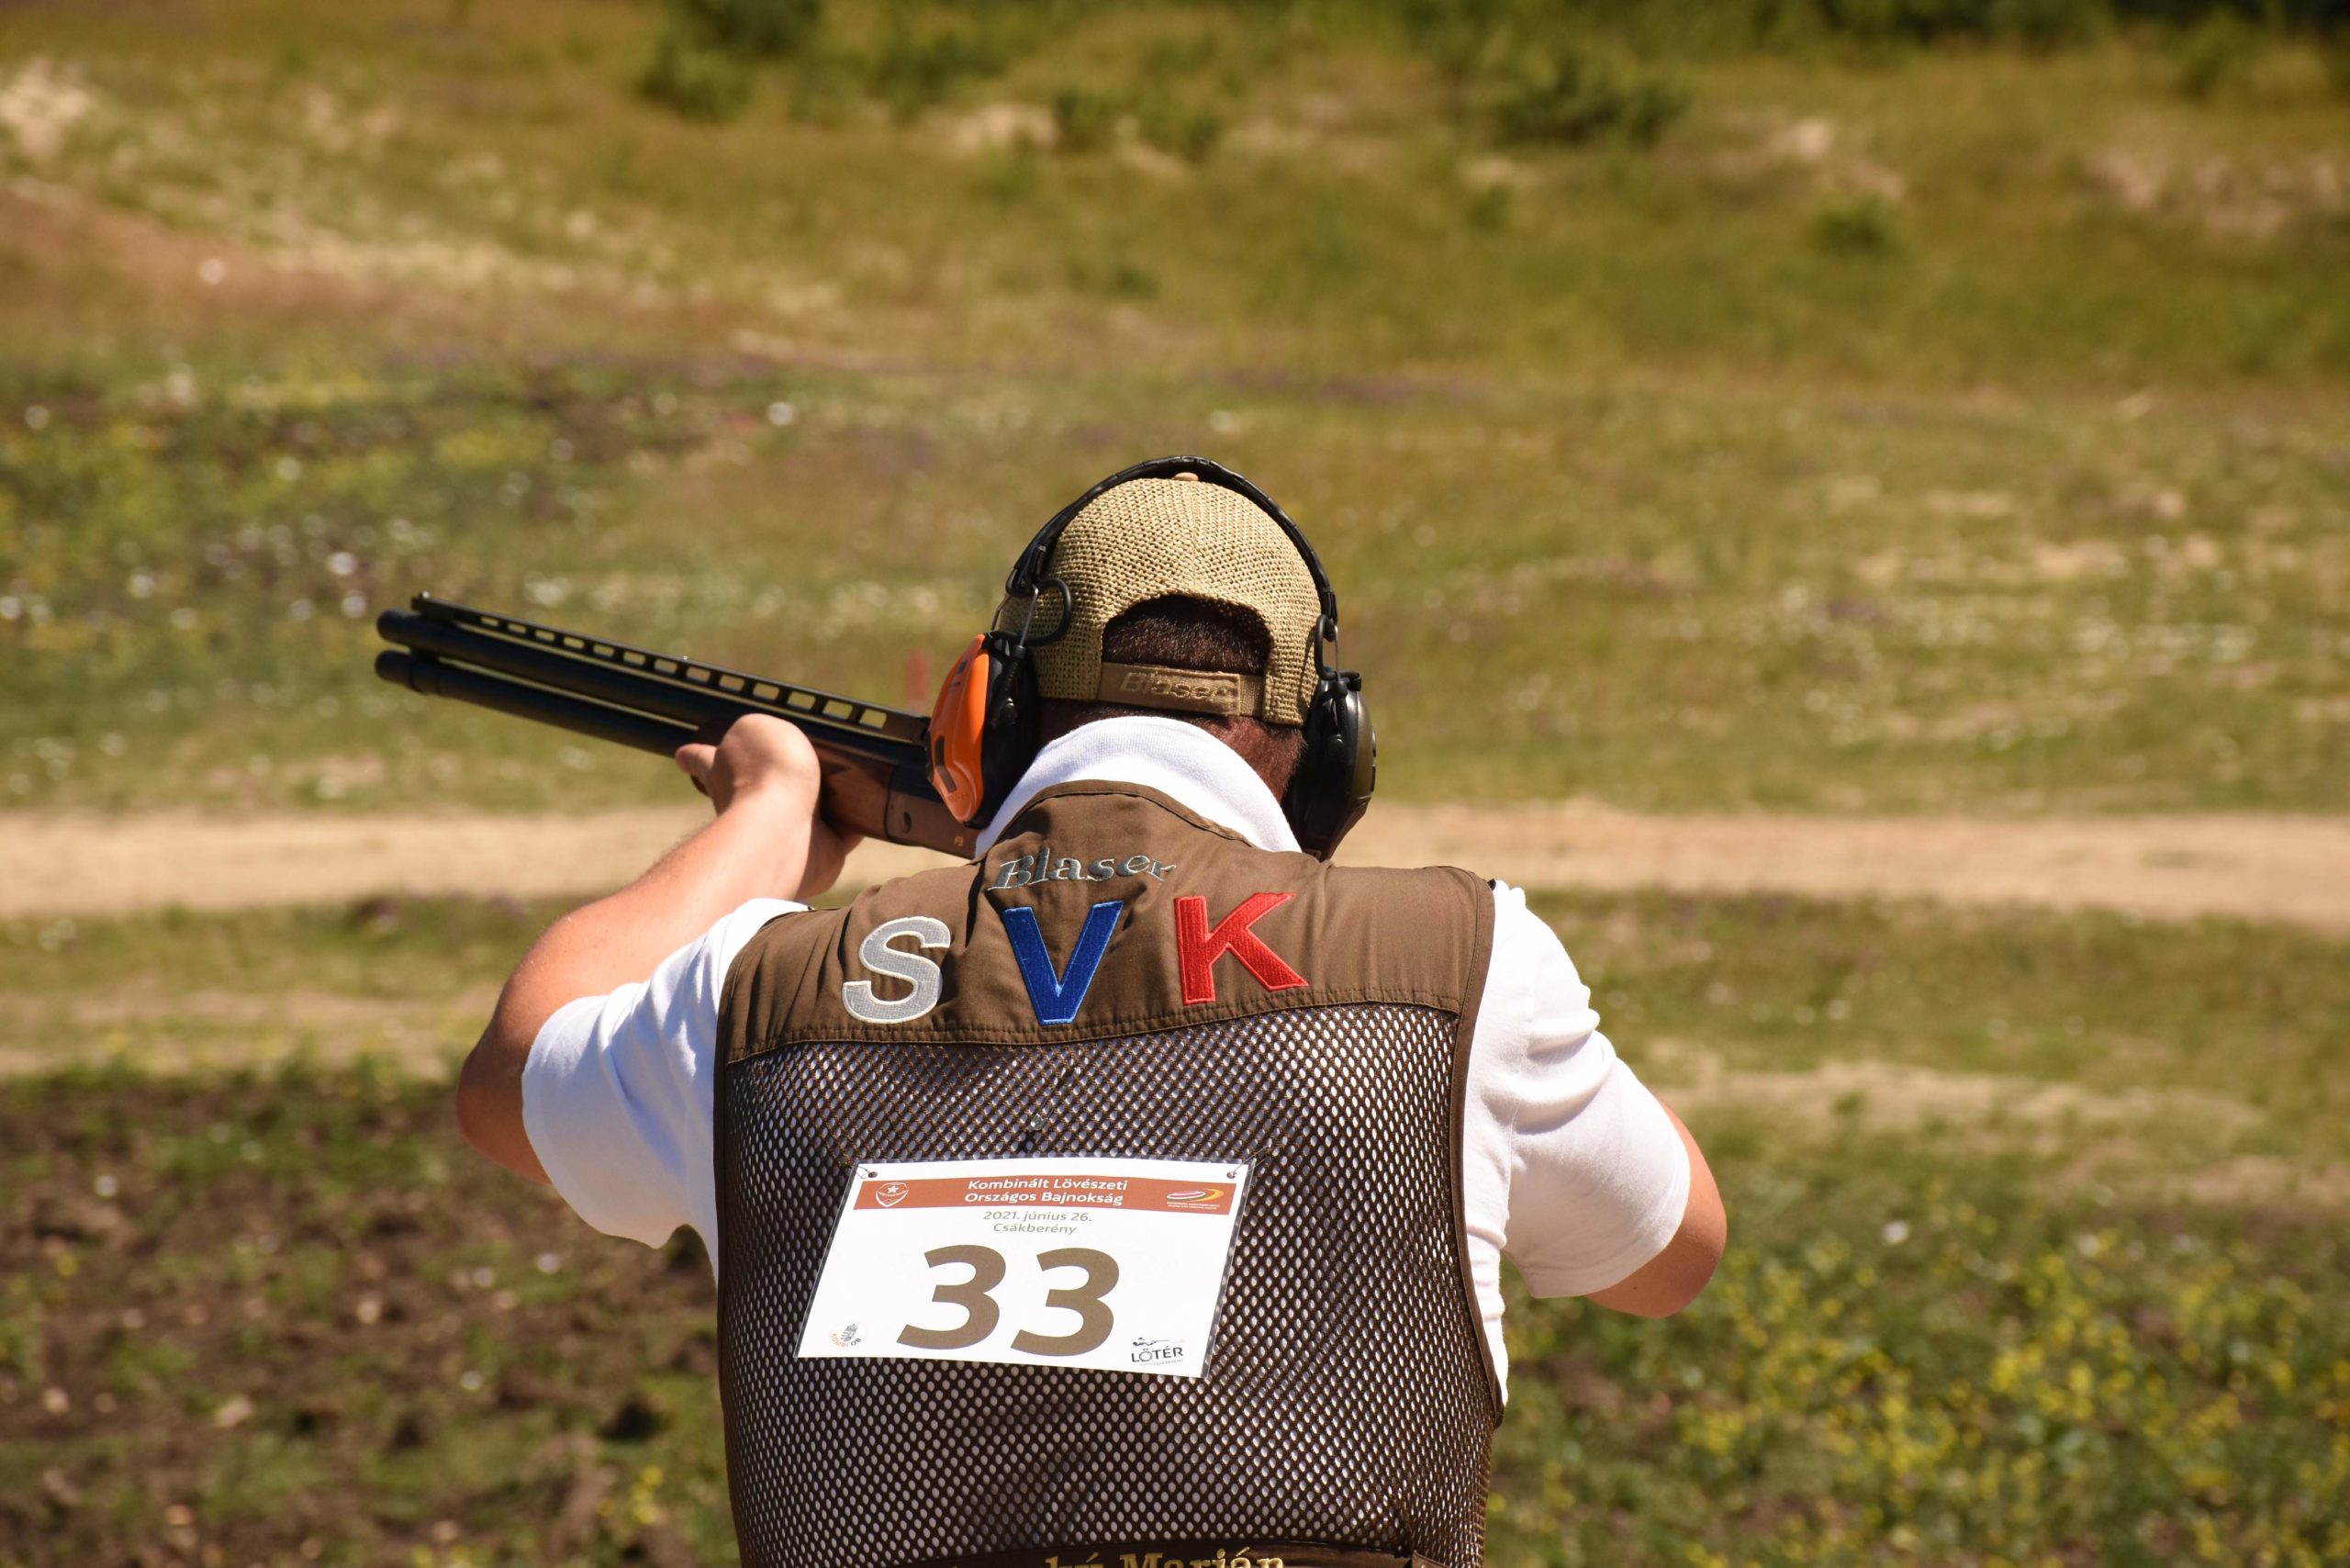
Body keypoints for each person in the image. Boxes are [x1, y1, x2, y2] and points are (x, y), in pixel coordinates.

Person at [455, 456, 1726, 1568]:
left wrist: (765, 816)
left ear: (989, 714)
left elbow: (513, 1077)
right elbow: (1670, 1251)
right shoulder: (1463, 960)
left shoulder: (757, 993)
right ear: (1333, 754)